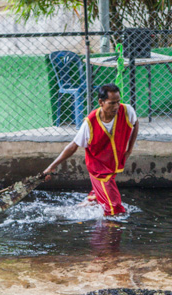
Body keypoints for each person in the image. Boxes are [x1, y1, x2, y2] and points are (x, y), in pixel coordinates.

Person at [42, 83, 139, 217]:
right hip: (99, 169)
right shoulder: (90, 123)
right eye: (112, 103)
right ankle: (109, 234)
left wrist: (129, 149)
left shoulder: (127, 111)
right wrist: (51, 167)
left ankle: (79, 206)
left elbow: (135, 123)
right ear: (101, 102)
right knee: (114, 209)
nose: (116, 107)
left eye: (118, 102)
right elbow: (73, 146)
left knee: (99, 200)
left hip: (113, 164)